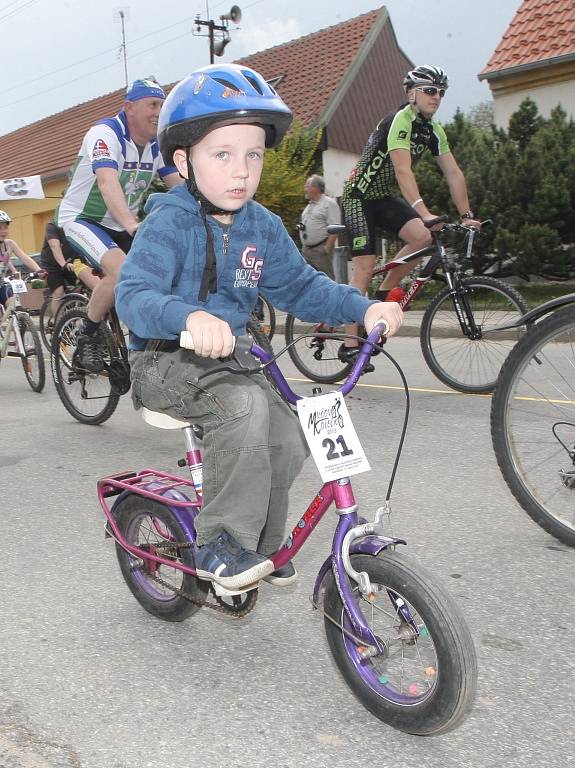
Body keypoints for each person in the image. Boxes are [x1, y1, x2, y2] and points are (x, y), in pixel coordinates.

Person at [116, 64, 403, 592]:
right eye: (222, 154)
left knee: (290, 431)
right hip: (163, 358)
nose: (241, 170)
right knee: (243, 410)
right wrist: (190, 317)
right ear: (184, 160)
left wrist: (364, 308)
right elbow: (132, 297)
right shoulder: (169, 220)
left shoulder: (260, 226)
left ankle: (263, 543)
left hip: (233, 358)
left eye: (253, 154)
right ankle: (219, 542)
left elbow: (302, 286)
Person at [340, 64, 480, 362]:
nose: (436, 97)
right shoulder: (400, 121)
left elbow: (453, 173)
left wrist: (466, 213)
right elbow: (403, 171)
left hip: (384, 197)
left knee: (422, 237)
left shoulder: (433, 131)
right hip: (358, 196)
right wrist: (424, 211)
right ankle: (350, 343)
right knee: (364, 267)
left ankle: (383, 293)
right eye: (429, 91)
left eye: (441, 92)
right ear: (411, 93)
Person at [56, 78, 182, 372]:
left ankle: (144, 338)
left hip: (123, 225)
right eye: (152, 105)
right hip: (83, 219)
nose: (158, 112)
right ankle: (87, 336)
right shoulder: (104, 134)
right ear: (129, 108)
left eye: (162, 106)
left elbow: (178, 185)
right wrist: (131, 224)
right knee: (122, 270)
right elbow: (107, 181)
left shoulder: (157, 144)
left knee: (164, 270)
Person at [39, 221, 100, 321]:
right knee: (58, 292)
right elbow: (55, 247)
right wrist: (64, 264)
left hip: (73, 262)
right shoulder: (53, 226)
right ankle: (59, 325)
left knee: (82, 286)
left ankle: (75, 312)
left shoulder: (79, 225)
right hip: (52, 264)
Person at [299, 175, 341, 279]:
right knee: (308, 280)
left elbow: (335, 226)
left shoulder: (329, 203)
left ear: (316, 188)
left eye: (307, 186)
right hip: (306, 250)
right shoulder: (309, 206)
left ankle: (331, 296)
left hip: (320, 249)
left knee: (326, 280)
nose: (305, 190)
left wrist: (326, 248)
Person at [0, 210, 42, 307]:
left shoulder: (10, 244)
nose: (3, 231)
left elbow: (25, 258)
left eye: (5, 227)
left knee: (13, 305)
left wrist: (39, 270)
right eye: (0, 228)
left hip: (1, 285)